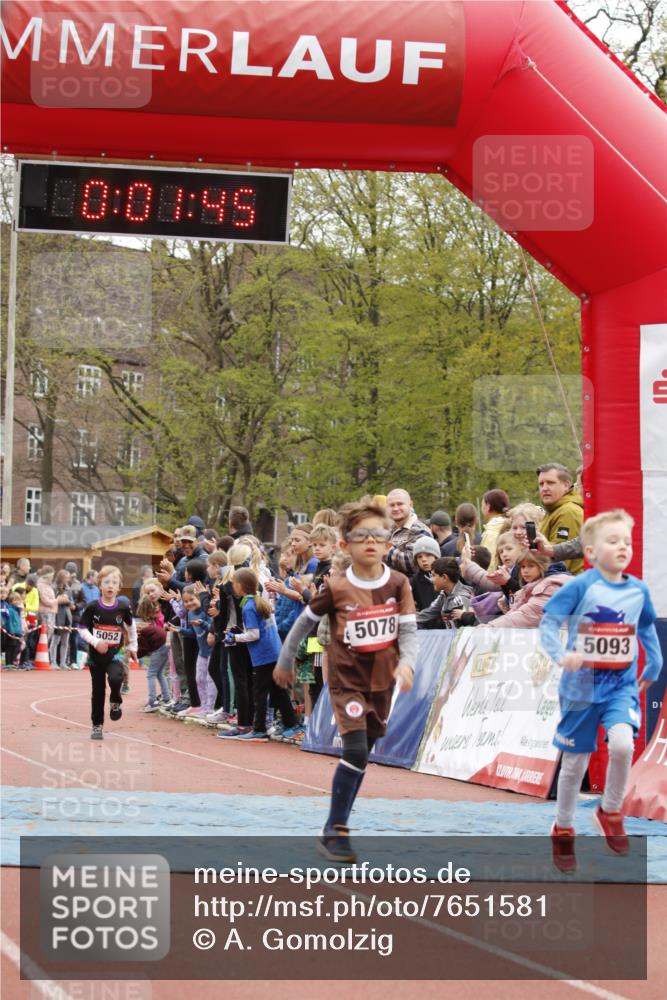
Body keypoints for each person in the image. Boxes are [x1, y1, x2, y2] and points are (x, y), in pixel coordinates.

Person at [275, 499, 417, 862]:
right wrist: (286, 659)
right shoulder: (337, 587)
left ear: (389, 544)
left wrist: (408, 664)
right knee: (354, 749)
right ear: (345, 545)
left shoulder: (399, 584)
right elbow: (304, 622)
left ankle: (333, 828)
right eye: (361, 535)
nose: (370, 541)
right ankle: (337, 830)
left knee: (363, 754)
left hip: (383, 681)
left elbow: (408, 632)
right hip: (346, 681)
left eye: (378, 535)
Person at [539, 509, 663, 873]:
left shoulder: (638, 589)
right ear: (591, 552)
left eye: (626, 541)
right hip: (580, 689)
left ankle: (610, 811)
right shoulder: (580, 586)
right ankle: (563, 827)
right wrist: (562, 655)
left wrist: (654, 665)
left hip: (620, 686)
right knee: (575, 763)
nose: (622, 547)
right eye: (613, 541)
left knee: (623, 745)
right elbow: (549, 622)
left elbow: (647, 628)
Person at [222, 568, 298, 742]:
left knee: (259, 692)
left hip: (263, 655)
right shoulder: (257, 601)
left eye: (234, 583)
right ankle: (291, 722)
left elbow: (254, 635)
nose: (232, 586)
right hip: (274, 651)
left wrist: (234, 637)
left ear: (240, 586)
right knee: (277, 690)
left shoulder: (248, 606)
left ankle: (259, 729)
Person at [78, 565, 138, 741]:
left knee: (116, 678)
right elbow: (81, 629)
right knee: (98, 692)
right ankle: (97, 726)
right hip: (96, 657)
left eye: (114, 582)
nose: (110, 586)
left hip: (115, 654)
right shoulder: (92, 607)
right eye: (106, 582)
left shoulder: (122, 606)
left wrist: (132, 646)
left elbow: (131, 626)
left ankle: (115, 701)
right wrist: (96, 642)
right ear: (100, 586)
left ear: (119, 586)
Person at [482, 551, 569, 628]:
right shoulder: (531, 587)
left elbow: (526, 615)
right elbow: (515, 612)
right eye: (523, 567)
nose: (525, 571)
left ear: (543, 566)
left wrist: (492, 626)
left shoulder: (551, 587)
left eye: (530, 566)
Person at [536, 463, 584, 574]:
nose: (544, 488)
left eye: (550, 483)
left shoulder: (568, 512)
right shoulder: (554, 510)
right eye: (541, 484)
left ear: (566, 485)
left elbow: (562, 565)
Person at [385, 488, 433, 577]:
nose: (395, 508)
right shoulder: (388, 530)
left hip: (410, 589)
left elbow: (413, 563)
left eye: (400, 504)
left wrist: (383, 549)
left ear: (410, 504)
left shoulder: (420, 530)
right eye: (391, 505)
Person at [416, 557, 473, 629]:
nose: (431, 580)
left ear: (444, 577)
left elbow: (467, 628)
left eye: (433, 575)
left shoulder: (460, 599)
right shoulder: (444, 594)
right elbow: (429, 612)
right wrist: (408, 620)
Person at [480, 490, 510, 569]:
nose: (481, 509)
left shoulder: (492, 532)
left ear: (488, 506)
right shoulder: (511, 526)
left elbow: (490, 562)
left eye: (482, 505)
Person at [410, 536, 441, 611]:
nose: (424, 560)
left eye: (428, 555)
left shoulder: (446, 575)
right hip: (426, 620)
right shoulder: (414, 581)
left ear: (436, 557)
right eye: (419, 557)